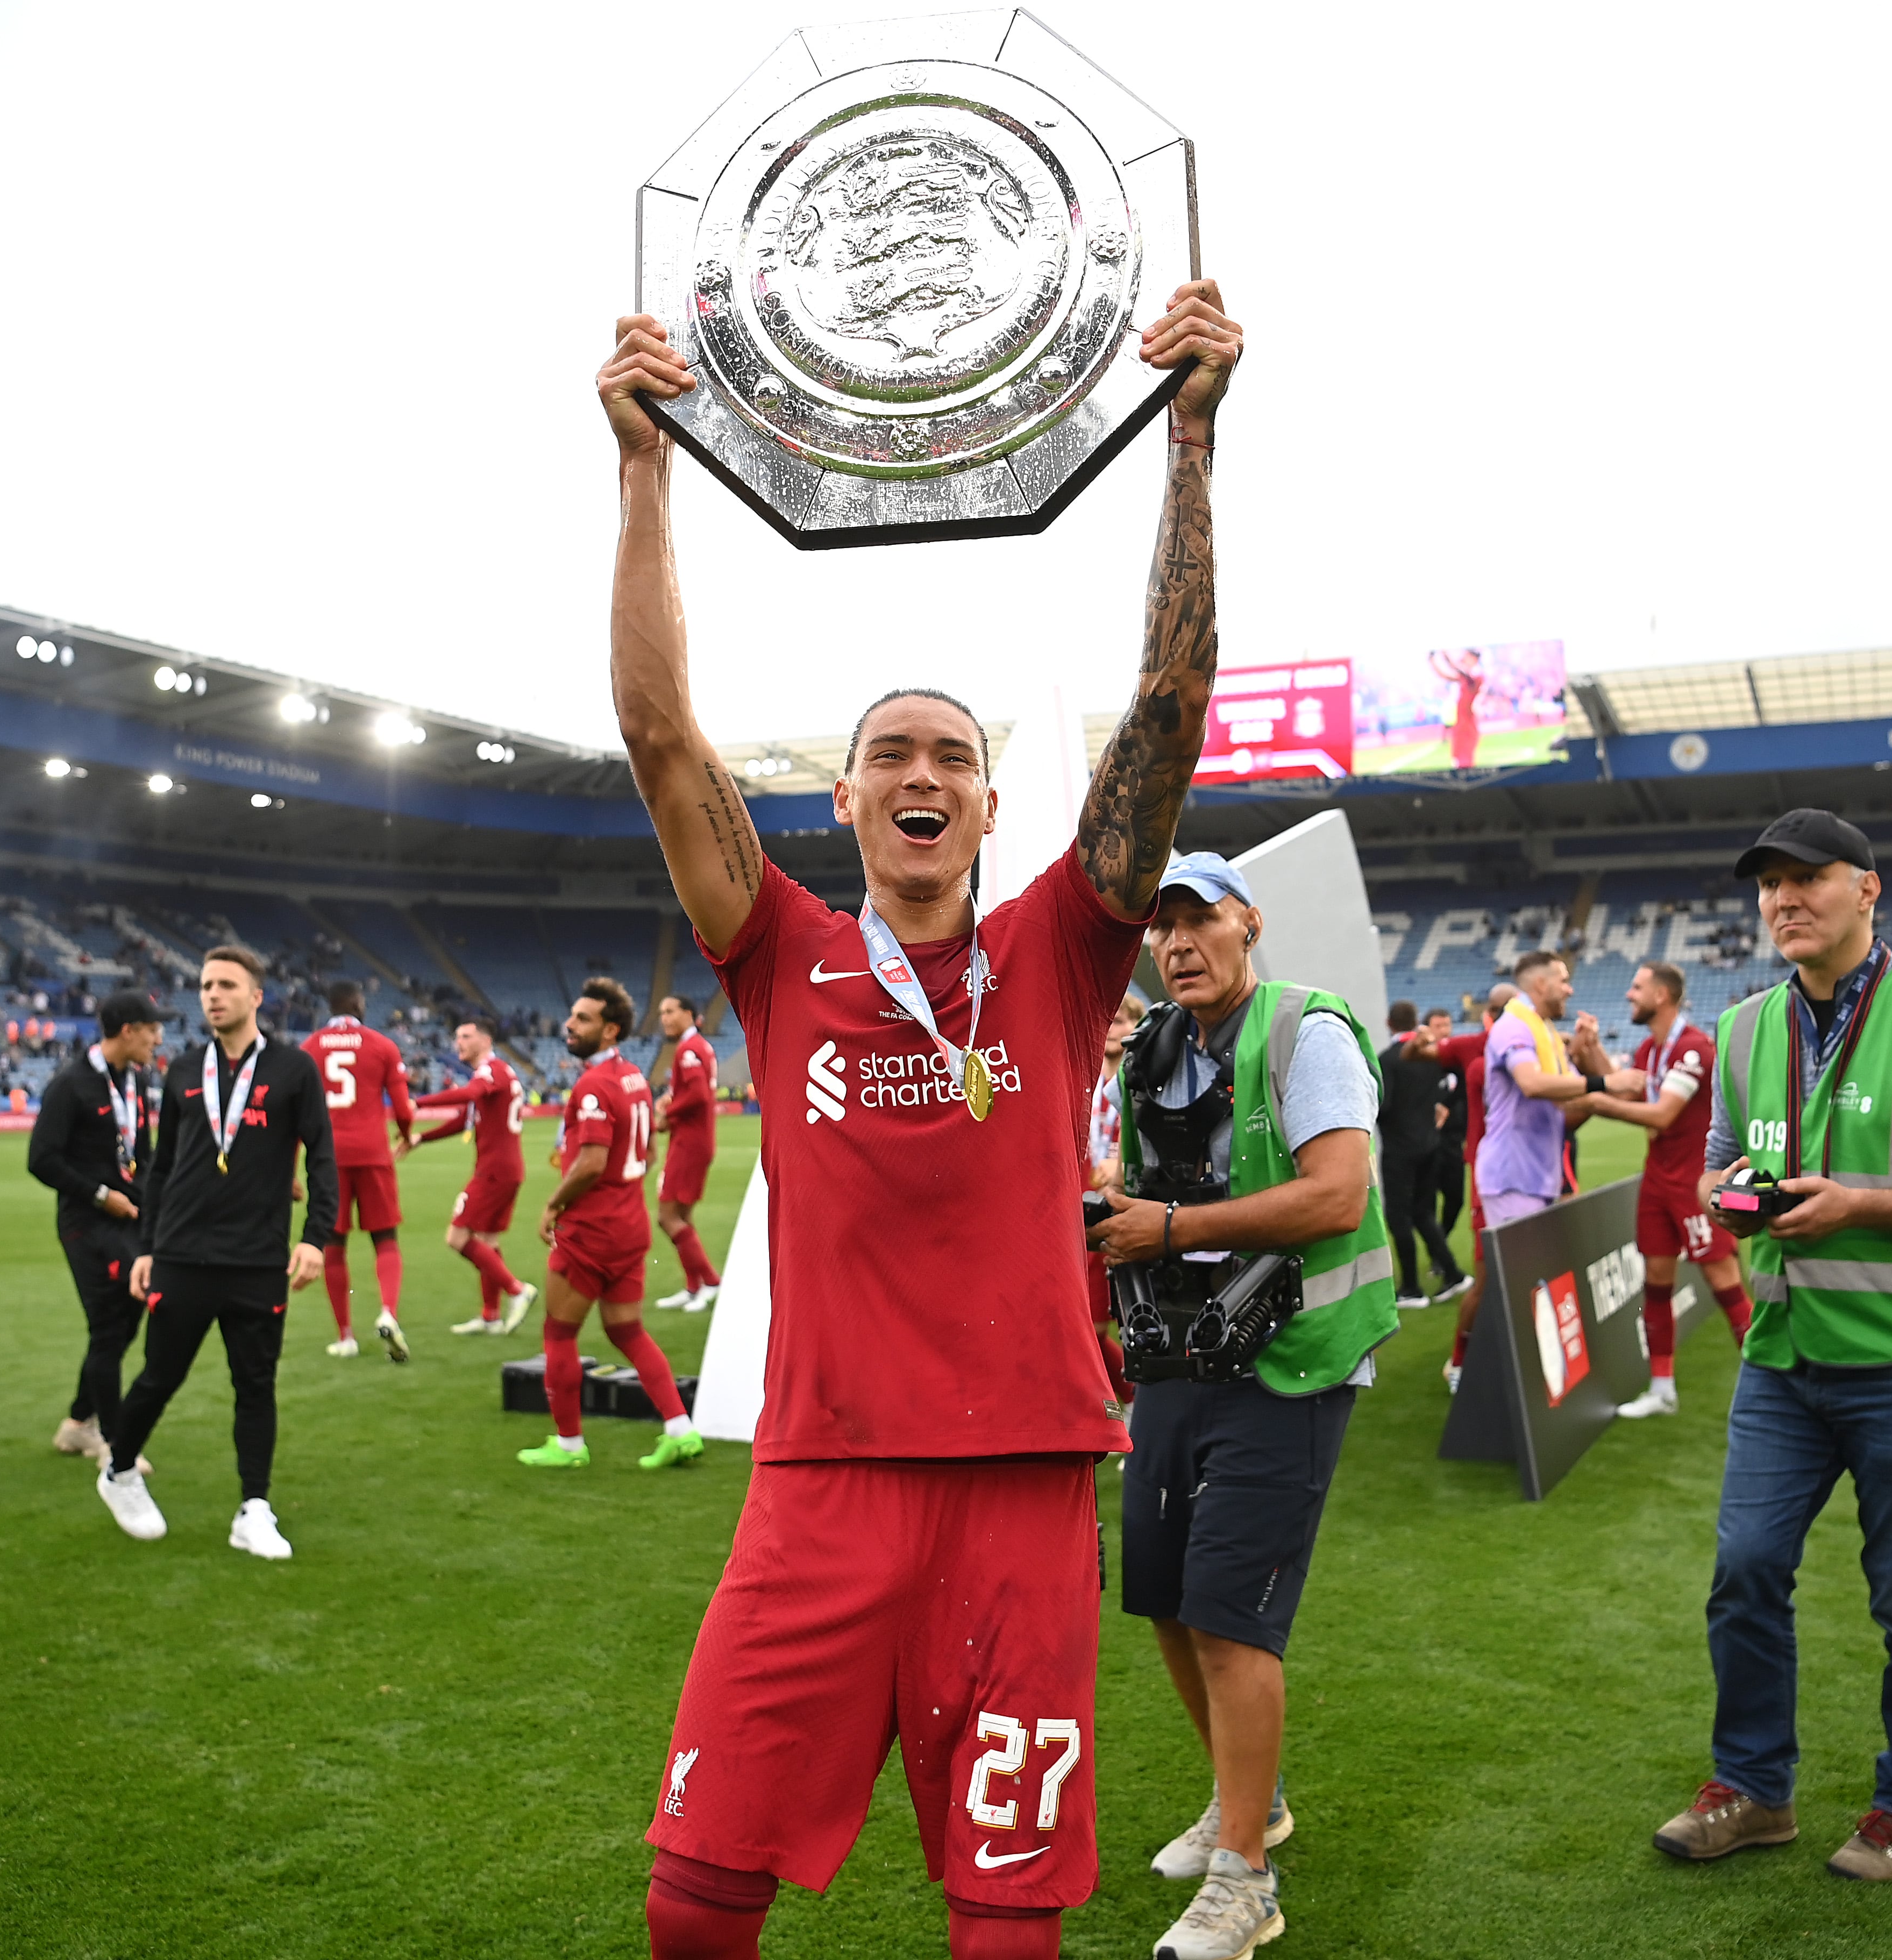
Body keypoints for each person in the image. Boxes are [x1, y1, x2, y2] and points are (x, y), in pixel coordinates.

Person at [599, 274, 1238, 1960]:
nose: (920, 772)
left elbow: (1166, 718)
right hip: (816, 1475)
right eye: (890, 749)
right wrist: (641, 468)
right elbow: (662, 733)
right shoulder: (778, 951)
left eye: (949, 752)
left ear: (985, 799)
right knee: (691, 1894)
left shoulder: (1057, 950)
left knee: (1004, 1915)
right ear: (847, 793)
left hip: (1023, 1475)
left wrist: (1187, 440)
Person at [1656, 810, 1892, 1883]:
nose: (1782, 899)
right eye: (1767, 885)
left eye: (1805, 878)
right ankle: (1754, 1785)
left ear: (1865, 890)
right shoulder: (1741, 1030)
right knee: (1742, 1571)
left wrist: (1856, 1203)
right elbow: (1719, 1171)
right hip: (1784, 1359)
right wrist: (1740, 1201)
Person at [1089, 853, 1398, 1960]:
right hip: (1183, 1353)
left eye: (1198, 922)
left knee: (1228, 1613)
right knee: (1167, 1596)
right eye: (1161, 929)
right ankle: (1246, 1804)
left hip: (1296, 1357)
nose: (1177, 945)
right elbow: (1133, 1185)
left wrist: (1165, 1228)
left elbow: (1337, 1193)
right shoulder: (1157, 1048)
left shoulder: (1304, 1029)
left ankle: (1244, 1880)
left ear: (1247, 924)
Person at [94, 947, 336, 1561]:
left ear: (257, 996)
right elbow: (163, 1165)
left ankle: (254, 1507)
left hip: (258, 1259)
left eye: (227, 984)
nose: (212, 994)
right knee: (159, 1376)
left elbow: (322, 1157)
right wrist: (147, 1245)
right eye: (205, 985)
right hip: (182, 1253)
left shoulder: (294, 1069)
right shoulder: (182, 1069)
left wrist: (315, 1237)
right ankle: (119, 1470)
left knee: (256, 1384)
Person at [519, 980, 700, 1471]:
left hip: (591, 1231)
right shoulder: (635, 1078)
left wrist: (553, 1204)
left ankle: (569, 1444)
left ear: (610, 1029)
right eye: (572, 1016)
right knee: (628, 1331)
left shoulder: (593, 1085)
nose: (570, 1025)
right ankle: (680, 1430)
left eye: (583, 1019)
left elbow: (593, 1162)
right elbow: (648, 1150)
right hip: (630, 1227)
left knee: (558, 1335)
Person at [1577, 961, 1755, 1418]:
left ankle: (1775, 1385)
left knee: (1724, 1283)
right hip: (1657, 1180)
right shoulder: (1649, 1051)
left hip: (1695, 1182)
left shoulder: (1692, 1048)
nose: (1628, 996)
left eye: (1636, 988)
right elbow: (1630, 1095)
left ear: (1661, 996)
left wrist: (1591, 1099)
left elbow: (1661, 1115)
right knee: (1655, 1283)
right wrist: (1595, 1055)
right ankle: (1661, 1389)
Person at [27, 988, 165, 1465]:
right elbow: (41, 1160)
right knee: (110, 1327)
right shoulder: (71, 1086)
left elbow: (143, 1156)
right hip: (87, 1224)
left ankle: (78, 1424)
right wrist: (102, 1196)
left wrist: (150, 1204)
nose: (158, 1038)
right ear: (127, 1031)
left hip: (134, 1223)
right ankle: (114, 1441)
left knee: (125, 1326)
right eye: (151, 1030)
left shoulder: (138, 1080)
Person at [1477, 950, 1638, 1231]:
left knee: (1541, 1274)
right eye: (1563, 981)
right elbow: (1532, 1084)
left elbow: (1570, 1104)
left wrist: (1590, 1054)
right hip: (1513, 1177)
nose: (1570, 989)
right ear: (1541, 984)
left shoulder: (1545, 1031)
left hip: (1539, 1175)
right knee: (1527, 1273)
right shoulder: (1514, 1026)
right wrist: (1604, 1085)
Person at [301, 979, 417, 1360]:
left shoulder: (310, 1047)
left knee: (334, 1246)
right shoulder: (382, 1045)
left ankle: (346, 1336)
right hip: (373, 1153)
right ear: (357, 1004)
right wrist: (406, 1136)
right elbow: (402, 1108)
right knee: (385, 1238)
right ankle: (389, 1312)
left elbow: (294, 1114)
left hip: (327, 1159)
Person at [404, 1016, 538, 1337]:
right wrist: (421, 1138)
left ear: (486, 1041)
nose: (458, 1043)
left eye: (465, 1036)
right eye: (457, 1037)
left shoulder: (491, 1071)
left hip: (494, 1171)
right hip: (505, 1169)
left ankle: (517, 1290)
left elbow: (469, 1095)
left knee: (457, 1238)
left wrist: (417, 1103)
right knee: (487, 1242)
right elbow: (466, 1117)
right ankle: (490, 1316)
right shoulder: (498, 1073)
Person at [1434, 986, 1512, 1393]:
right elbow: (1425, 1054)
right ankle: (1459, 1362)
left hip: (1535, 1173)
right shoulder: (1474, 1052)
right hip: (1491, 1173)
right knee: (1487, 1278)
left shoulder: (1536, 1046)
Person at [1376, 1000, 1468, 1308]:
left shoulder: (1388, 1060)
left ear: (1390, 1024)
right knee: (1424, 1213)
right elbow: (1450, 1088)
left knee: (1398, 1216)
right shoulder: (1431, 1058)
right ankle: (1452, 1273)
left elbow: (1385, 1105)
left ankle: (1412, 1287)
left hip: (1400, 1148)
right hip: (1430, 1144)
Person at [1086, 990, 1149, 1404]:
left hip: (1128, 1205)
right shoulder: (1084, 1075)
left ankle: (1134, 1399)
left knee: (1126, 1315)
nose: (1113, 1029)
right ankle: (1130, 1399)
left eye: (1122, 1021)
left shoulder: (1143, 1074)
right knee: (1090, 1322)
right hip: (1085, 1205)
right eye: (1107, 1020)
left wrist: (1119, 1166)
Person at [651, 991, 722, 1312]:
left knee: (667, 1217)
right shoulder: (695, 1048)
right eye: (662, 1012)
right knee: (682, 1217)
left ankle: (710, 1281)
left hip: (689, 1143)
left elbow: (697, 1097)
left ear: (689, 1014)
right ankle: (694, 1286)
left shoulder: (690, 1049)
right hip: (695, 1140)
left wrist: (668, 1114)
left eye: (670, 1011)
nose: (664, 1018)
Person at [1421, 1008, 1471, 1240]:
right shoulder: (1419, 1060)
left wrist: (1448, 1106)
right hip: (1425, 1142)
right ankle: (1439, 1255)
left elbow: (1466, 1089)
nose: (1444, 1031)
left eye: (1447, 1025)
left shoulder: (1458, 1061)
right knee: (1427, 1199)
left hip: (1452, 1140)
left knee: (1456, 1198)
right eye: (1438, 1026)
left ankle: (1441, 1241)